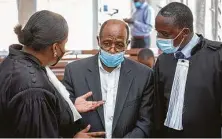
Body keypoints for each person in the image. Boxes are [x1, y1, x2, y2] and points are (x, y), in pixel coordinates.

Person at [0, 10, 105, 138]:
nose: (65, 49)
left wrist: (67, 106)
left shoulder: (16, 60)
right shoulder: (33, 90)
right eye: (64, 44)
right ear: (55, 48)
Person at [62, 19, 154, 138]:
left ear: (127, 43)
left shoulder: (144, 75)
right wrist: (74, 136)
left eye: (119, 45)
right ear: (98, 41)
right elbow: (63, 117)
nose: (112, 49)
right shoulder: (74, 71)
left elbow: (145, 122)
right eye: (107, 43)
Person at [154, 2, 222, 138]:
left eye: (165, 34)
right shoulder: (163, 60)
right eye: (157, 33)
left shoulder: (217, 57)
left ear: (184, 32)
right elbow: (157, 107)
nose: (159, 39)